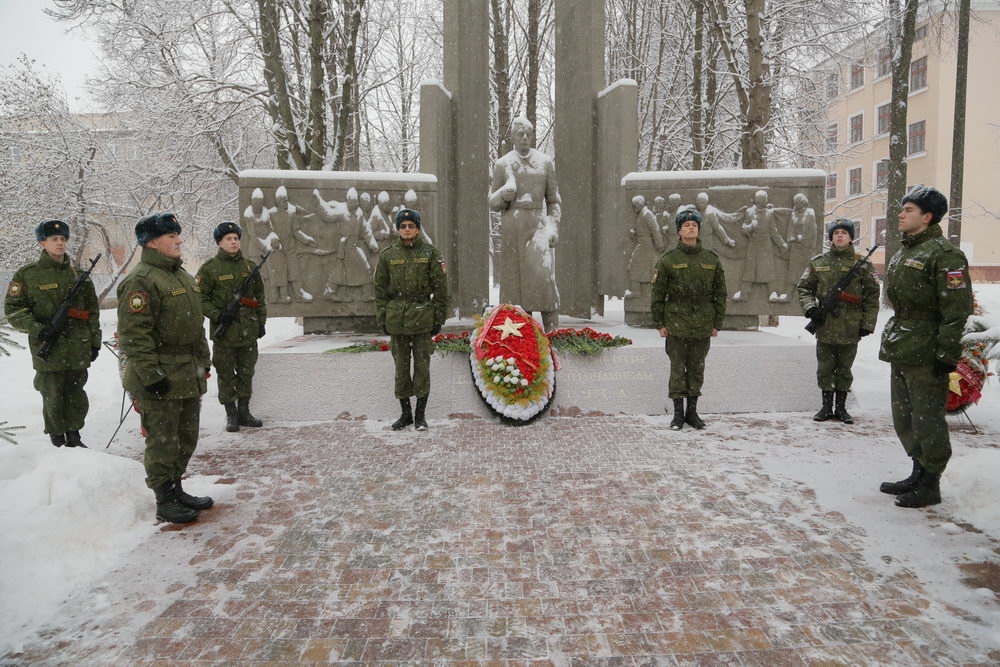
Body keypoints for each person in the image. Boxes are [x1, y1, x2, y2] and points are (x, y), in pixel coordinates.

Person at [878, 186, 974, 509]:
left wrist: (947, 353)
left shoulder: (945, 255)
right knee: (904, 416)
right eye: (902, 208)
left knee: (927, 418)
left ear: (927, 216)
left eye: (908, 210)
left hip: (928, 350)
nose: (901, 214)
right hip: (903, 345)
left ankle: (931, 483)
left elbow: (956, 310)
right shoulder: (906, 251)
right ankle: (918, 472)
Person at [117, 213, 213, 524]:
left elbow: (196, 326)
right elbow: (135, 336)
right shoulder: (141, 281)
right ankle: (164, 499)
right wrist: (152, 376)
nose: (178, 240)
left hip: (187, 372)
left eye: (177, 234)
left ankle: (176, 488)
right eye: (171, 235)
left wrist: (204, 361)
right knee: (162, 440)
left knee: (185, 437)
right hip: (161, 375)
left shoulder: (181, 275)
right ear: (152, 243)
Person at [4, 220, 101, 447]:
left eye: (63, 239)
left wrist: (94, 342)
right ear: (42, 243)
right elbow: (14, 311)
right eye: (54, 239)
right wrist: (39, 329)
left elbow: (92, 312)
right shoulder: (27, 275)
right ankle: (57, 439)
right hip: (48, 348)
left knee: (76, 394)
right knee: (52, 394)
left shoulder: (78, 275)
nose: (60, 243)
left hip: (77, 346)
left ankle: (74, 436)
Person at [650, 209, 727, 431]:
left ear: (699, 230)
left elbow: (720, 293)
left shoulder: (711, 259)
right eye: (686, 225)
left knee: (696, 369)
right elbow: (657, 295)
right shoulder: (668, 260)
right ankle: (677, 415)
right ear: (679, 231)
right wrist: (660, 324)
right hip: (676, 324)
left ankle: (692, 413)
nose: (691, 227)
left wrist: (717, 323)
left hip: (702, 324)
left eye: (694, 225)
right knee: (677, 369)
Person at [796, 220, 879, 424]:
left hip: (850, 326)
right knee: (824, 368)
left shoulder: (863, 264)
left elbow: (871, 297)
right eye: (836, 233)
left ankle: (841, 408)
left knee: (844, 369)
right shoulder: (818, 262)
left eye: (844, 232)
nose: (840, 236)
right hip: (825, 324)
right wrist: (811, 309)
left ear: (851, 237)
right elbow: (804, 288)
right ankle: (826, 408)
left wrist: (867, 324)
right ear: (831, 237)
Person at [373, 208, 449, 431]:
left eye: (411, 226)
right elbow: (380, 290)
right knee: (401, 369)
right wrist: (382, 318)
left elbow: (441, 290)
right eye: (403, 226)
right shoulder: (387, 256)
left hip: (423, 318)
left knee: (422, 368)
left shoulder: (431, 254)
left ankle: (420, 416)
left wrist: (438, 318)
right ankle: (405, 414)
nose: (407, 230)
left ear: (417, 229)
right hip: (397, 320)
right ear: (398, 229)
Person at [488, 116, 561, 331]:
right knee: (515, 286)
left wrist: (553, 227)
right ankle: (520, 333)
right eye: (520, 134)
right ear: (513, 137)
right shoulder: (503, 164)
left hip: (538, 226)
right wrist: (504, 194)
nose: (525, 138)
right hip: (512, 227)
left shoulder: (545, 162)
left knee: (544, 279)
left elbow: (554, 200)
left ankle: (553, 331)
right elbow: (492, 202)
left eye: (529, 134)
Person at [196, 222, 267, 433]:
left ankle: (244, 411)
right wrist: (218, 314)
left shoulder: (249, 267)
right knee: (226, 374)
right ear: (219, 242)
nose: (234, 242)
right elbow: (200, 298)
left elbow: (259, 297)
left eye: (236, 238)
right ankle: (231, 414)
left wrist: (261, 322)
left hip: (248, 331)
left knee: (246, 372)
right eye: (228, 239)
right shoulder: (209, 269)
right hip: (225, 332)